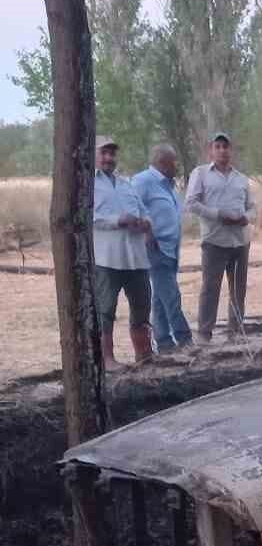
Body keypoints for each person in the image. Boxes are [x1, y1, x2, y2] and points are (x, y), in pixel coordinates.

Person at [184, 131, 253, 344]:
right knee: (210, 288)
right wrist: (218, 214)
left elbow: (251, 207)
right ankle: (204, 333)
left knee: (238, 289)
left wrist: (245, 218)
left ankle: (236, 331)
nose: (222, 150)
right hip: (214, 241)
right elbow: (191, 203)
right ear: (211, 151)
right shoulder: (201, 173)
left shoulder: (241, 178)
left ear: (231, 150)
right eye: (218, 146)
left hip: (240, 241)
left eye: (226, 147)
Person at [92, 135, 153, 371]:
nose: (109, 158)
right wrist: (118, 220)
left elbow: (144, 210)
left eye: (112, 153)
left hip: (136, 257)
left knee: (142, 307)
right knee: (105, 310)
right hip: (107, 258)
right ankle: (107, 360)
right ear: (93, 155)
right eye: (104, 153)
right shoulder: (87, 184)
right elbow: (89, 217)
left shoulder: (126, 184)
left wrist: (146, 222)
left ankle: (144, 356)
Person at [131, 143, 192, 354]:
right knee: (171, 295)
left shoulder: (167, 184)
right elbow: (134, 207)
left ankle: (164, 341)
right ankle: (185, 339)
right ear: (162, 161)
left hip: (170, 247)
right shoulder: (143, 181)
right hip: (155, 247)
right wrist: (147, 232)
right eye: (174, 161)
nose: (176, 165)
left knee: (159, 297)